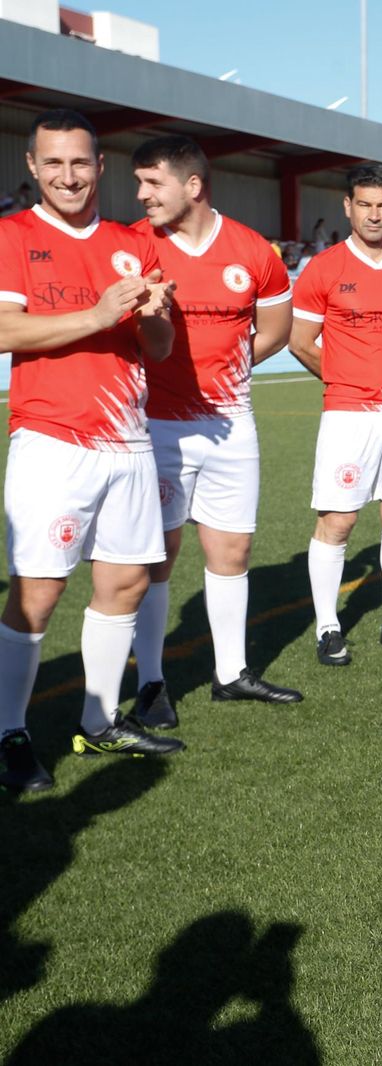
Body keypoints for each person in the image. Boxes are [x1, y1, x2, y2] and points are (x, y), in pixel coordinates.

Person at [0, 109, 181, 793]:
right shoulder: (12, 236)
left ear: (100, 167)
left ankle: (98, 720)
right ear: (32, 167)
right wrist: (100, 315)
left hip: (129, 441)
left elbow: (158, 350)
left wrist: (154, 318)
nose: (68, 176)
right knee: (39, 594)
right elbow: (4, 328)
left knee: (127, 583)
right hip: (53, 440)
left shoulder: (133, 242)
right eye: (54, 163)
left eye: (80, 163)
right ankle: (8, 733)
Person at [125, 135, 303, 728]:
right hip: (156, 428)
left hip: (232, 426)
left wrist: (236, 360)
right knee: (159, 557)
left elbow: (277, 324)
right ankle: (151, 683)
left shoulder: (253, 249)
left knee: (233, 551)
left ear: (193, 186)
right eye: (139, 182)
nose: (142, 194)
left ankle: (231, 673)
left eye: (154, 183)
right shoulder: (134, 249)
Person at [289, 164, 382, 667]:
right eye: (365, 204)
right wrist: (343, 380)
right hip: (348, 414)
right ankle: (329, 627)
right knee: (338, 520)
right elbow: (299, 341)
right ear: (348, 207)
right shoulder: (324, 268)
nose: (374, 214)